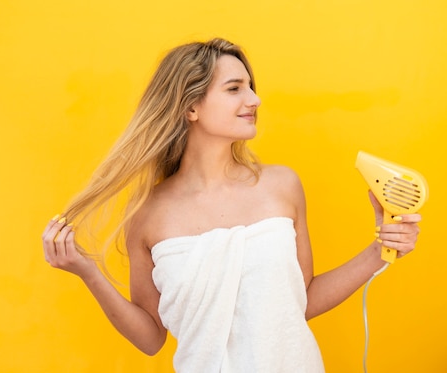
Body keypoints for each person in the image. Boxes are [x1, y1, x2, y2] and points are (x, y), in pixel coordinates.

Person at [41, 38, 422, 372]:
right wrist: (87, 272)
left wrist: (380, 251)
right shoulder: (148, 215)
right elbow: (151, 338)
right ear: (191, 108)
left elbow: (299, 301)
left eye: (251, 87)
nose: (254, 99)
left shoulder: (282, 186)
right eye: (235, 88)